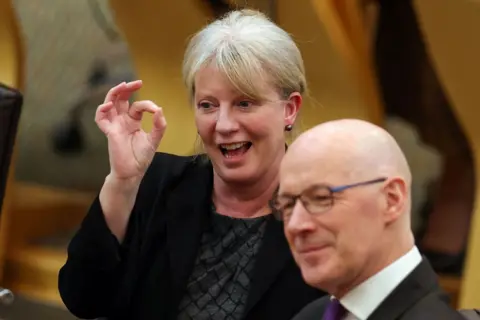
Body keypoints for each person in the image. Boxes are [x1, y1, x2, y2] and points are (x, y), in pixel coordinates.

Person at [58, 9, 324, 320]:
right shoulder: (155, 181)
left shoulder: (321, 208)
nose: (223, 125)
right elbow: (82, 298)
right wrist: (122, 183)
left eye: (244, 103)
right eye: (208, 105)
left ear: (289, 110)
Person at [273, 119, 464, 320]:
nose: (296, 225)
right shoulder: (310, 316)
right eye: (288, 205)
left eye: (321, 198)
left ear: (391, 199)